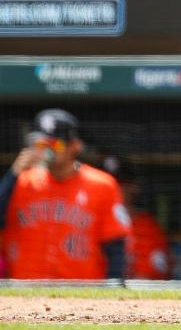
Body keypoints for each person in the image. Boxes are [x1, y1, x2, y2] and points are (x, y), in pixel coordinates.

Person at [0, 109, 130, 280]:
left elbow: (116, 249)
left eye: (55, 144)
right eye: (42, 144)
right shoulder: (21, 182)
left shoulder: (102, 185)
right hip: (27, 290)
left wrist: (113, 292)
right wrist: (14, 173)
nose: (47, 150)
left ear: (74, 146)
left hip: (80, 293)